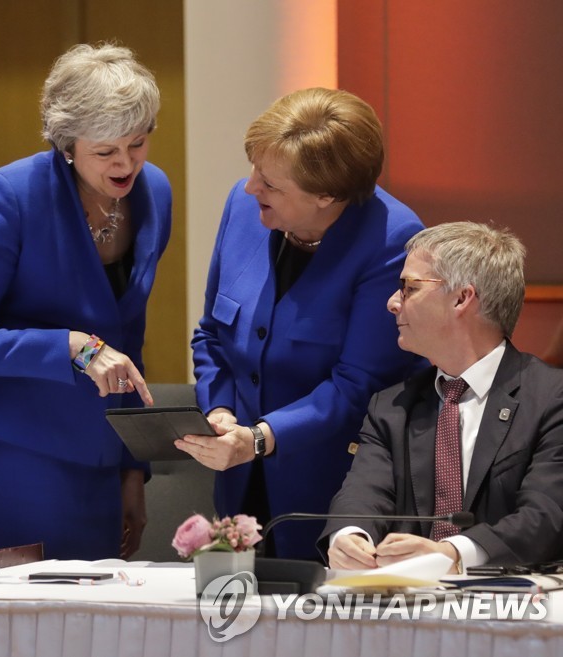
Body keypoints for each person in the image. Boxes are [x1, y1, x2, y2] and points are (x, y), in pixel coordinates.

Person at [0, 43, 170, 560]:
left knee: (100, 607)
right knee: (22, 609)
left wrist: (132, 467)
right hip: (10, 447)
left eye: (138, 143)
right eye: (105, 151)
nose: (125, 163)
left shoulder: (155, 192)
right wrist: (73, 347)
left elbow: (128, 339)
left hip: (100, 449)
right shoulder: (12, 195)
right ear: (67, 144)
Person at [176, 88, 425, 559]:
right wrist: (220, 410)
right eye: (254, 169)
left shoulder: (393, 239)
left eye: (270, 183)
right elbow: (212, 335)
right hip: (240, 485)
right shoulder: (243, 207)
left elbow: (359, 384)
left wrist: (260, 438)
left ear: (326, 195)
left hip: (332, 495)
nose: (250, 188)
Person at [323, 222, 563, 571]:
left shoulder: (552, 398)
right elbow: (363, 494)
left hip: (516, 596)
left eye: (409, 288)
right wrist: (349, 536)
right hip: (407, 598)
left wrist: (453, 554)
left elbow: (546, 515)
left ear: (462, 298)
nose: (392, 303)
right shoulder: (391, 406)